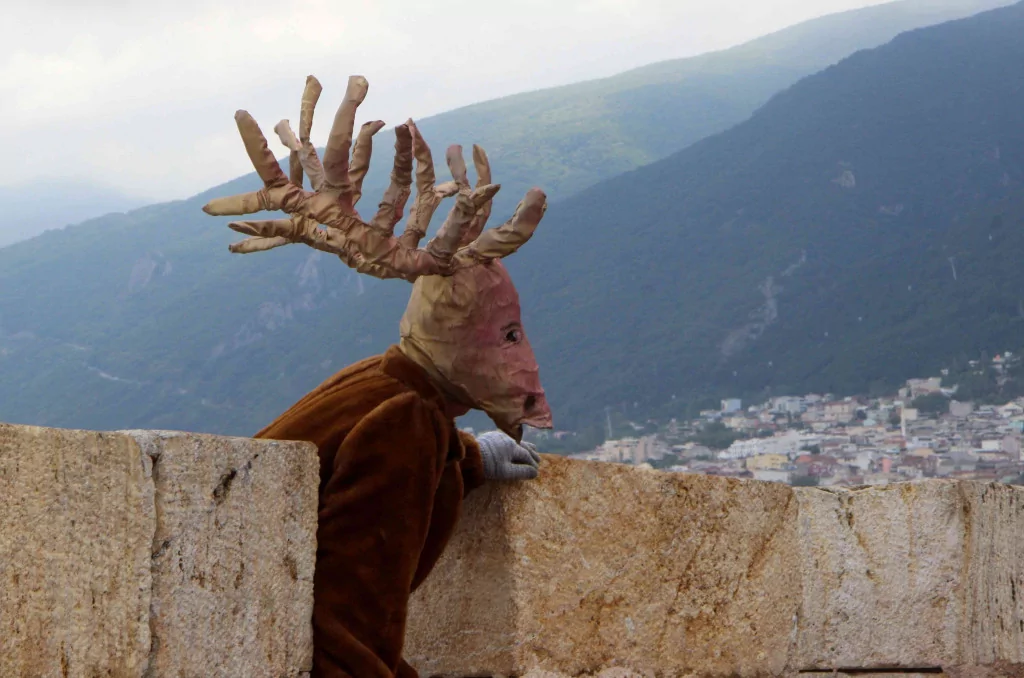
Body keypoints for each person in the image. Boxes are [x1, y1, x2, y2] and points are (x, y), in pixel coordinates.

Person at [203, 74, 552, 678]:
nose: (524, 364)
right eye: (507, 337)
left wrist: (467, 461)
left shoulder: (387, 383)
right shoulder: (407, 420)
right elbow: (349, 616)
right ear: (460, 337)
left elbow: (353, 473)